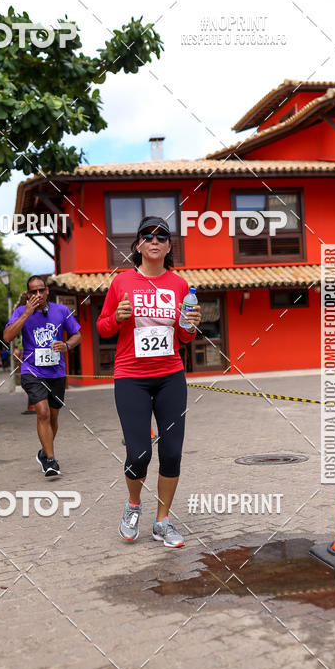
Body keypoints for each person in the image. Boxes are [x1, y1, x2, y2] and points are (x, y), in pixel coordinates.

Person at [96, 217, 201, 548]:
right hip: (131, 378)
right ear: (138, 245)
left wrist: (191, 324)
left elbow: (184, 337)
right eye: (148, 236)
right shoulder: (122, 282)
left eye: (162, 236)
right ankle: (133, 505)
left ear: (169, 247)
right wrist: (117, 318)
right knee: (139, 453)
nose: (154, 241)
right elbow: (102, 327)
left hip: (171, 376)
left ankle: (162, 521)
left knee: (171, 453)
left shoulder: (179, 285)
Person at [3, 275, 81, 478]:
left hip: (56, 371)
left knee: (53, 416)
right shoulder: (21, 311)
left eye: (41, 290)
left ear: (47, 291)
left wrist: (66, 345)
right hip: (32, 371)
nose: (38, 294)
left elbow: (77, 335)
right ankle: (51, 461)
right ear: (28, 294)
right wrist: (26, 314)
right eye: (33, 291)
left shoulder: (61, 310)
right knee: (43, 413)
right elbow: (7, 336)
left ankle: (44, 453)